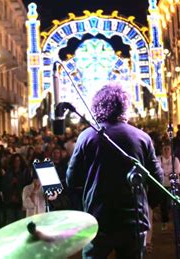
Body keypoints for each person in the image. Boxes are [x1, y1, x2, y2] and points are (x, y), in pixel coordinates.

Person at [66, 83, 163, 259]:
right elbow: (157, 179)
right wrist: (148, 205)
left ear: (97, 107)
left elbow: (72, 180)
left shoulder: (86, 137)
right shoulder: (142, 138)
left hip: (98, 220)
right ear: (124, 107)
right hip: (133, 220)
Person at [158, 142, 180, 231]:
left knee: (175, 203)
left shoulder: (175, 160)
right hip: (163, 184)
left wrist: (167, 174)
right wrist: (167, 174)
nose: (167, 151)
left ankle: (177, 222)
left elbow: (177, 171)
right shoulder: (158, 159)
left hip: (174, 184)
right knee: (163, 203)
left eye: (168, 149)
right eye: (165, 149)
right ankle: (164, 221)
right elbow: (158, 170)